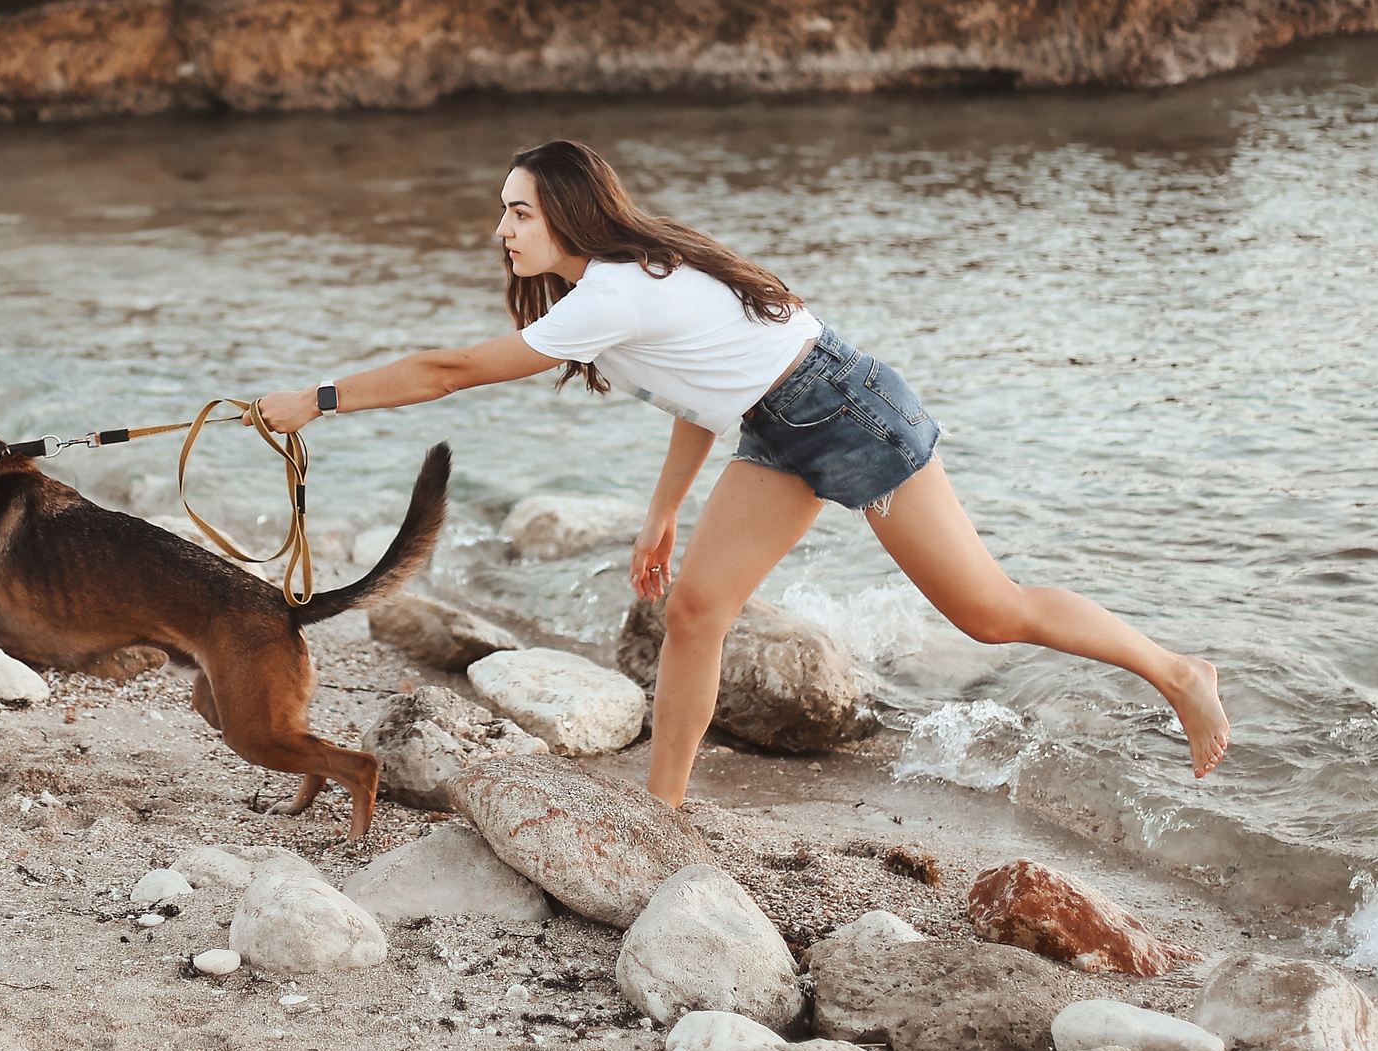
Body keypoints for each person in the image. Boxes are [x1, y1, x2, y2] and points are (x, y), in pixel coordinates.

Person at [252, 138, 1229, 808]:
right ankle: (665, 810)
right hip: (777, 423)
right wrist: (661, 515)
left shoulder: (611, 292)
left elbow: (447, 372)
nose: (501, 230)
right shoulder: (620, 288)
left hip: (843, 410)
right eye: (501, 212)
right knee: (695, 609)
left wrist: (319, 398)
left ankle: (1176, 671)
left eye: (517, 211)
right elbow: (700, 389)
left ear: (565, 212)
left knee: (988, 612)